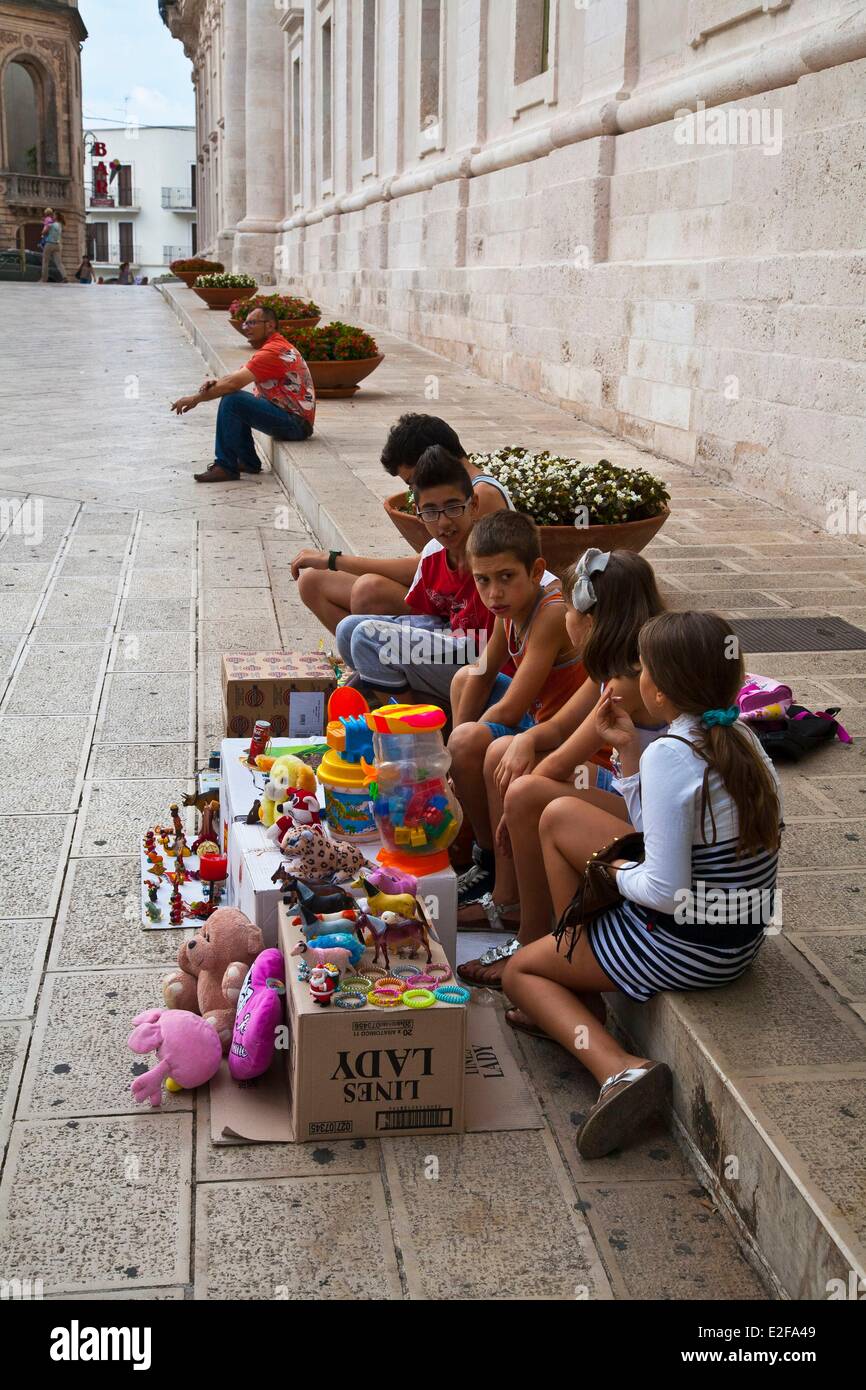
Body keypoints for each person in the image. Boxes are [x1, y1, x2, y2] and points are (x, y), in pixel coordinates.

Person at [502, 609, 783, 1158]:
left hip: (689, 944)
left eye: (644, 667)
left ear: (660, 685)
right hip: (738, 936)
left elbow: (664, 890)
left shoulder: (673, 757)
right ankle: (581, 982)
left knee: (520, 973)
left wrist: (610, 870)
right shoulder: (741, 736)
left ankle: (621, 1070)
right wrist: (627, 751)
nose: (637, 677)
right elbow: (652, 830)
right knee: (559, 816)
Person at [457, 548, 667, 981]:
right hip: (635, 790)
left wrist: (512, 807)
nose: (565, 615)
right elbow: (556, 732)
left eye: (569, 607)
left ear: (589, 619)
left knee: (527, 790)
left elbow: (563, 760)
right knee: (508, 756)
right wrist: (526, 742)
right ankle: (509, 898)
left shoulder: (627, 682)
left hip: (649, 813)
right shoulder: (615, 664)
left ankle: (534, 935)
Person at [447, 510, 586, 903]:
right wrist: (455, 751)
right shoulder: (506, 609)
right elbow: (483, 672)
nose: (493, 593)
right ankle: (480, 838)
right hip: (538, 716)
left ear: (536, 570)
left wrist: (460, 747)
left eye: (506, 577)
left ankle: (492, 862)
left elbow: (510, 710)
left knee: (474, 743)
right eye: (483, 580)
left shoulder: (552, 613)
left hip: (562, 733)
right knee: (462, 683)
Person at [291, 414, 513, 635]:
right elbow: (431, 564)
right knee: (312, 581)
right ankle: (368, 656)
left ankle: (381, 660)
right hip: (438, 597)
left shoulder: (481, 496)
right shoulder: (459, 498)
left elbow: (419, 568)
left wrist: (335, 560)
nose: (443, 521)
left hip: (463, 618)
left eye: (413, 482)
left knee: (368, 591)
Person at [334, 447, 520, 705]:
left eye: (453, 507)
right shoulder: (433, 555)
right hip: (453, 644)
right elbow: (430, 620)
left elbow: (501, 643)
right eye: (431, 511)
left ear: (474, 504)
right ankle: (394, 703)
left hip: (489, 666)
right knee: (348, 629)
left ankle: (414, 728)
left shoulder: (492, 554)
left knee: (367, 637)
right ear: (419, 514)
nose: (443, 523)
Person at [170, 304, 315, 482]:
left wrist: (195, 399)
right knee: (236, 399)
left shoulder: (274, 351)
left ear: (269, 325)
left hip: (296, 424)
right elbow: (236, 377)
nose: (246, 328)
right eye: (245, 324)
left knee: (233, 400)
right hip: (292, 420)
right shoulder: (272, 347)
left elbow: (233, 384)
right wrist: (218, 383)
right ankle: (247, 461)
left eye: (252, 323)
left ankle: (226, 466)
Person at [39, 213, 66, 283]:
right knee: (59, 262)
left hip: (49, 244)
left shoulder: (51, 225)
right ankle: (65, 277)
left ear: (56, 216)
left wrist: (45, 225)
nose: (52, 217)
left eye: (53, 216)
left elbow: (43, 232)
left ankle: (44, 279)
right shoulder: (60, 225)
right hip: (57, 245)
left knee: (45, 262)